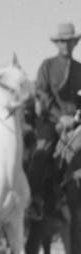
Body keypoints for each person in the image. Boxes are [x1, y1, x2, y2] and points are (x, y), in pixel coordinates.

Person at [35, 22, 81, 170]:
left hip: (76, 122)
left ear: (75, 43)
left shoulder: (79, 68)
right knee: (41, 153)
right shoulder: (47, 65)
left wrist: (76, 117)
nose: (65, 45)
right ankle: (35, 192)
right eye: (62, 41)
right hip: (52, 121)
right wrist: (60, 116)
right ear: (57, 43)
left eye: (69, 41)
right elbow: (41, 94)